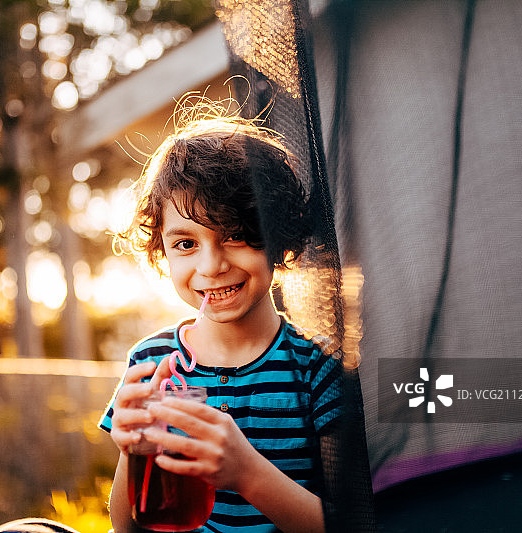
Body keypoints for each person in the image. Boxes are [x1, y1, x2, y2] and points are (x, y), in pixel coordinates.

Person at [97, 108, 345, 533]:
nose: (211, 266)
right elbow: (126, 528)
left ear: (280, 238)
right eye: (186, 243)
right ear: (162, 249)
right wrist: (132, 452)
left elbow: (343, 526)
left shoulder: (317, 371)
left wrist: (246, 472)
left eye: (234, 234)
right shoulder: (151, 362)